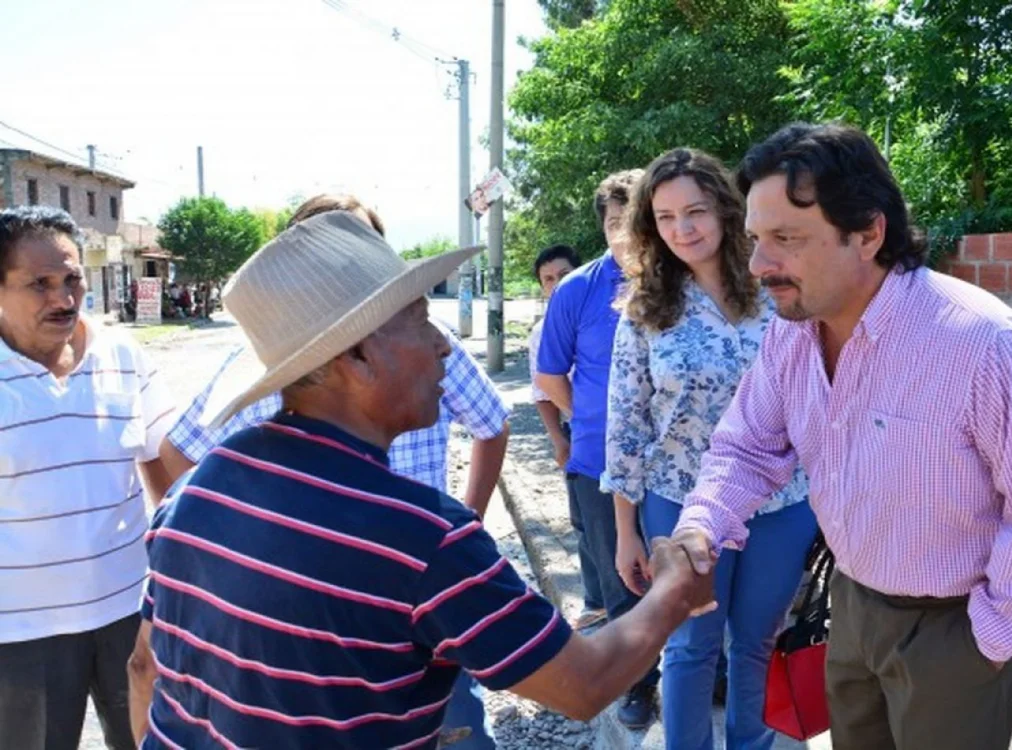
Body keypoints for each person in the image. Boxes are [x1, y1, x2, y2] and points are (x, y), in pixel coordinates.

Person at [125, 210, 715, 749]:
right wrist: (672, 589)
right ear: (355, 357)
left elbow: (144, 668)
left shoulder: (193, 495)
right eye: (420, 320)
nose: (441, 346)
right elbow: (585, 683)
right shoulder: (421, 536)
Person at [668, 123, 1012, 750]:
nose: (759, 265)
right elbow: (748, 445)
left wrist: (990, 640)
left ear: (868, 233)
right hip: (853, 607)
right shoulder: (794, 332)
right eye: (757, 239)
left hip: (956, 631)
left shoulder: (983, 345)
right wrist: (700, 528)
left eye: (786, 238)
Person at [156, 193, 510, 749]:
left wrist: (466, 527)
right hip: (314, 620)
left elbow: (492, 422)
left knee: (457, 731)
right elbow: (175, 454)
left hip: (426, 594)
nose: (438, 343)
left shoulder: (419, 344)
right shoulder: (260, 370)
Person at [605, 148, 818, 749]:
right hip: (680, 502)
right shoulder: (645, 310)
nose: (683, 230)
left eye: (695, 211)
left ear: (726, 212)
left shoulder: (777, 292)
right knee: (691, 645)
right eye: (666, 218)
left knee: (757, 640)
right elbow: (625, 428)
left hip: (782, 499)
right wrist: (626, 531)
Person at [0, 206, 176, 750]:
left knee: (151, 743)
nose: (63, 298)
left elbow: (165, 466)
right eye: (40, 284)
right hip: (20, 633)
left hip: (129, 612)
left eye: (72, 278)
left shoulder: (123, 357)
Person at [535, 169, 662, 728]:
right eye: (614, 222)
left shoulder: (680, 280)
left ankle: (707, 670)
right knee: (623, 581)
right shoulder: (578, 290)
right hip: (600, 462)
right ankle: (636, 682)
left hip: (674, 464)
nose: (624, 233)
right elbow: (549, 376)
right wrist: (587, 420)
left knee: (687, 572)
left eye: (632, 220)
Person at [528, 244, 608, 630]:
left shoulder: (602, 310)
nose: (557, 283)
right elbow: (543, 390)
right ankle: (596, 599)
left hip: (610, 430)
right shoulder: (541, 332)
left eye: (563, 274)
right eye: (548, 279)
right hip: (581, 432)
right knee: (586, 522)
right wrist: (561, 438)